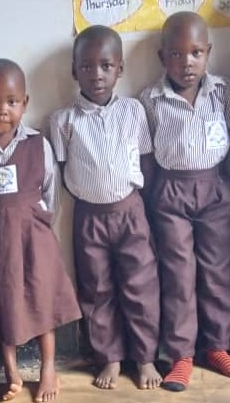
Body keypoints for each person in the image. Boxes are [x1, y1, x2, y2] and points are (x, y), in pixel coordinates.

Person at [49, 25, 162, 391]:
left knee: (140, 284)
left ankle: (144, 357)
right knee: (96, 289)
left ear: (120, 69)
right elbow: (64, 171)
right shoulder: (63, 120)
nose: (96, 74)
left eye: (106, 65)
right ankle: (109, 356)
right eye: (86, 66)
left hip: (131, 211)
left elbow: (146, 161)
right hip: (89, 217)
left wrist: (132, 201)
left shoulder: (133, 110)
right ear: (74, 71)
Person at [0, 58, 80, 402]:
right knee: (3, 303)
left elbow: (50, 193)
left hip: (35, 240)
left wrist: (33, 221)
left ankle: (47, 369)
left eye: (11, 102)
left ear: (24, 103)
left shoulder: (37, 144)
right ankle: (11, 370)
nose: (2, 111)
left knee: (43, 302)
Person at [138, 12, 230, 391]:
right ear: (161, 57)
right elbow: (147, 155)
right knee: (179, 275)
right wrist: (155, 196)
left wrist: (228, 185)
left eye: (196, 52)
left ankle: (217, 346)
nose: (187, 62)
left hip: (215, 188)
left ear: (208, 53)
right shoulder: (150, 100)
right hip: (170, 192)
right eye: (177, 54)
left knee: (218, 270)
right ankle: (181, 354)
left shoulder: (223, 91)